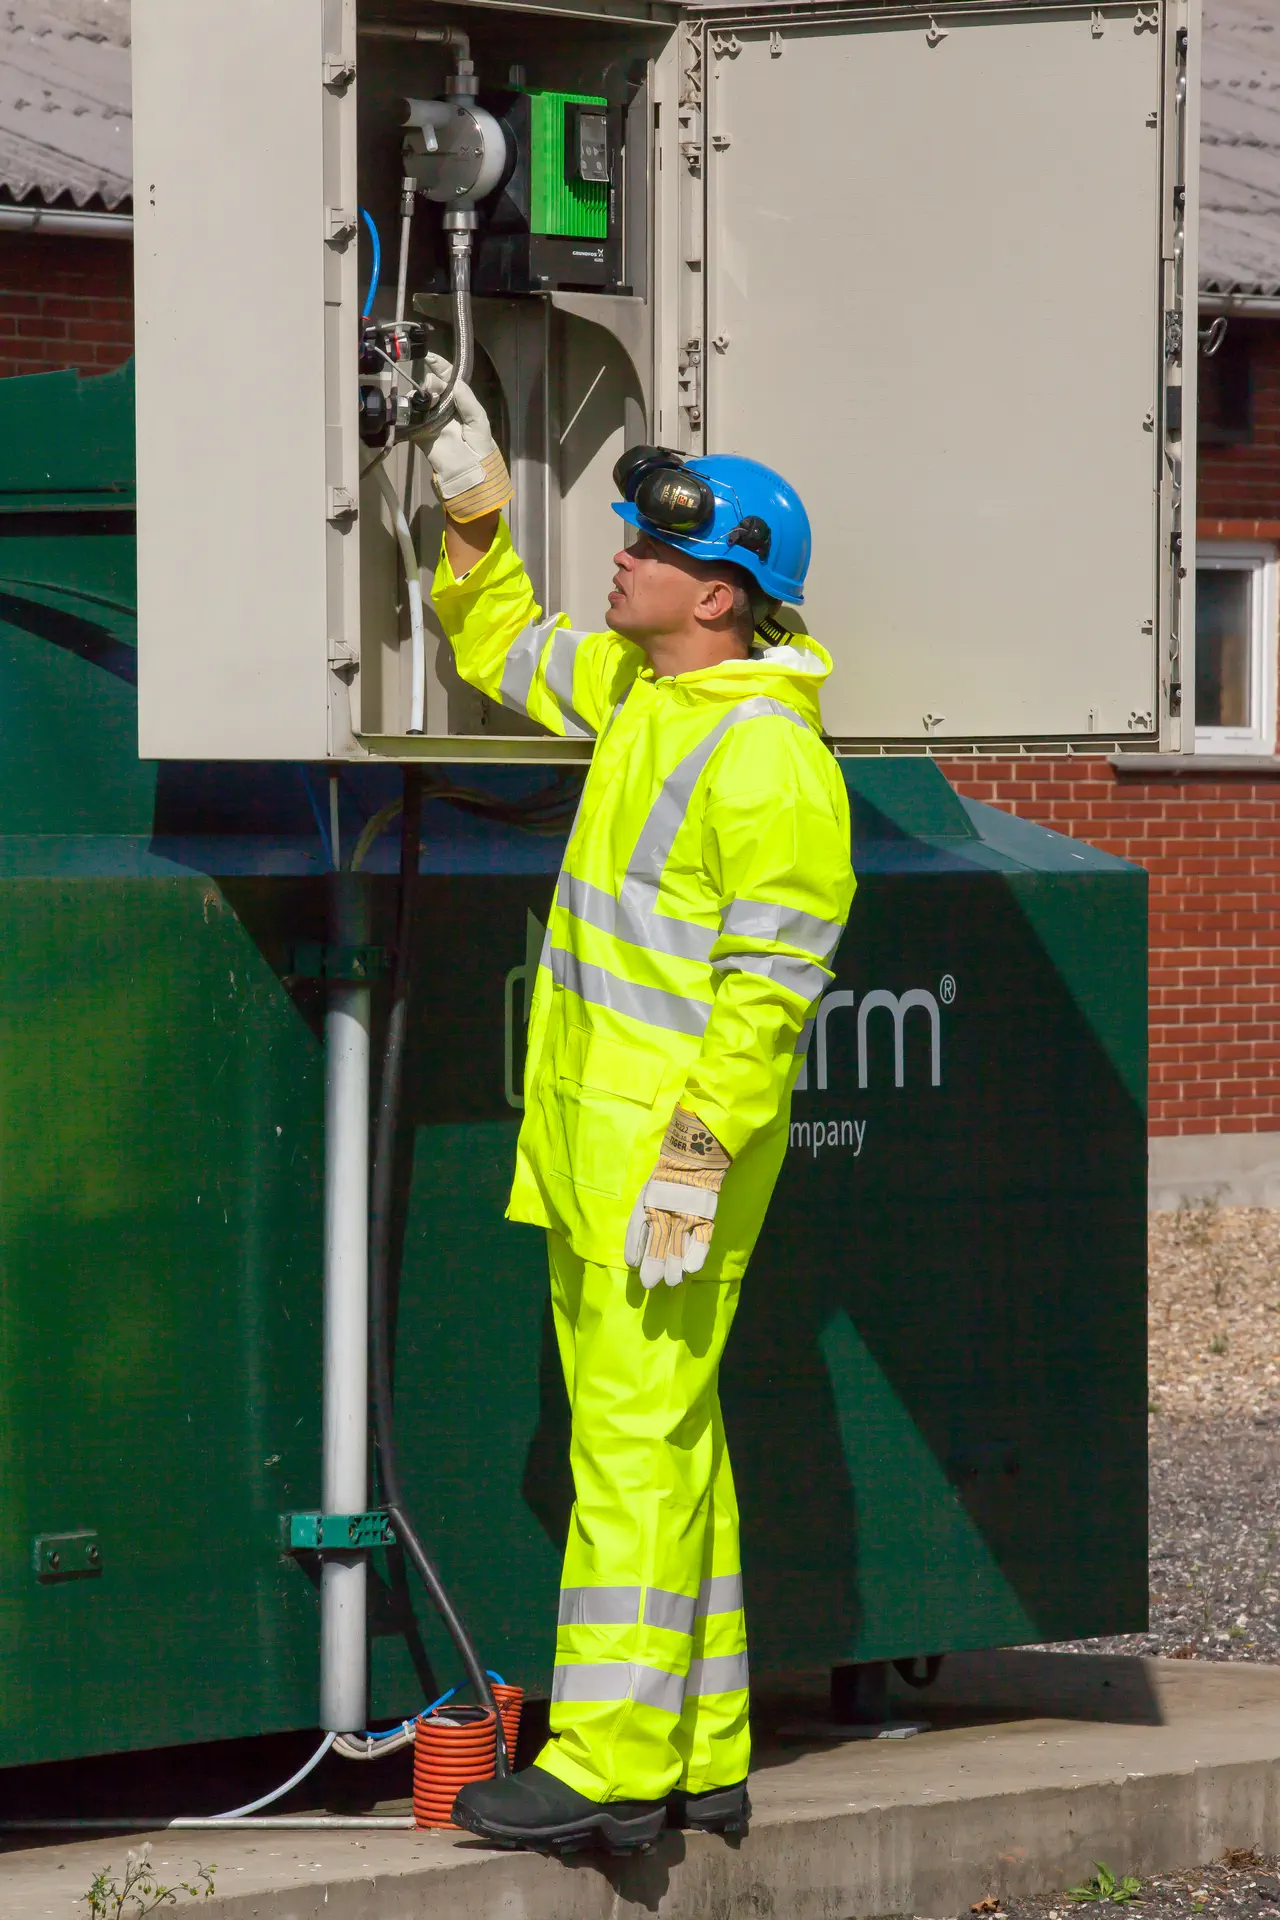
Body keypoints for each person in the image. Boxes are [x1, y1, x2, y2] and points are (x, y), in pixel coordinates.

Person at [410, 361, 855, 1855]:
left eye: (655, 546)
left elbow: (767, 1001)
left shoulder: (768, 758)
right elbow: (499, 642)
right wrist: (472, 499)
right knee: (670, 1443)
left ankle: (607, 1766)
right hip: (603, 1154)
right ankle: (704, 1749)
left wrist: (689, 1166)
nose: (624, 556)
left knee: (629, 1459)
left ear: (719, 595)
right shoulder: (642, 697)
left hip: (664, 1169)